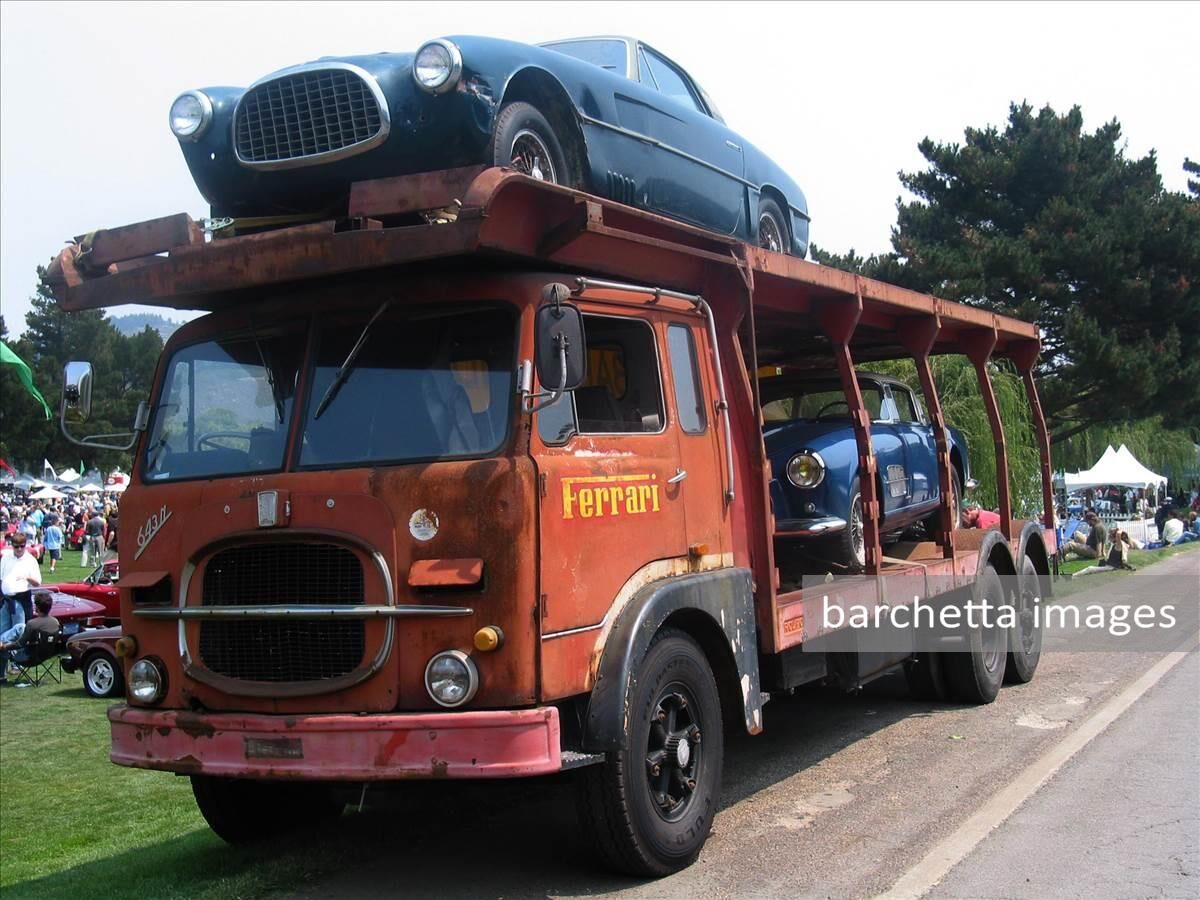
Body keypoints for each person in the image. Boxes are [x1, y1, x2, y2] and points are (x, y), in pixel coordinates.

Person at [0, 591, 59, 685]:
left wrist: (5, 647)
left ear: (37, 607)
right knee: (18, 629)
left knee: (18, 630)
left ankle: (1, 677)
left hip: (28, 657)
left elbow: (20, 644)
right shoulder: (55, 622)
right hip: (46, 655)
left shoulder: (32, 624)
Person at [0, 533, 42, 635]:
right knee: (3, 629)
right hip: (5, 599)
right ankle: (4, 650)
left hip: (21, 599)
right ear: (12, 545)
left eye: (22, 546)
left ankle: (18, 651)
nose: (19, 549)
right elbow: (1, 578)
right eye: (16, 546)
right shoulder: (6, 558)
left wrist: (27, 577)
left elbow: (38, 583)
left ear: (25, 545)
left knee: (19, 630)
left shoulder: (30, 560)